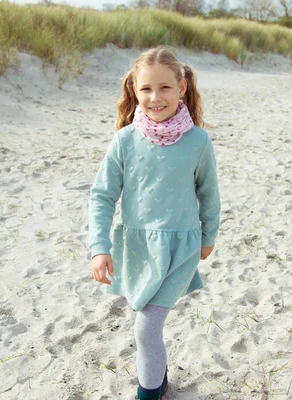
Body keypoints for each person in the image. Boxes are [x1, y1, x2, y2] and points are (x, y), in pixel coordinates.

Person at [88, 46, 221, 400]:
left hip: (181, 248)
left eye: (165, 88)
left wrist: (209, 236)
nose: (155, 97)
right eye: (146, 89)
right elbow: (102, 196)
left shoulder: (198, 142)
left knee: (146, 327)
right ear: (134, 90)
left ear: (182, 88)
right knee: (147, 323)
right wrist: (99, 248)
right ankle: (159, 381)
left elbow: (209, 195)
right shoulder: (124, 141)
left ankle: (148, 393)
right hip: (136, 250)